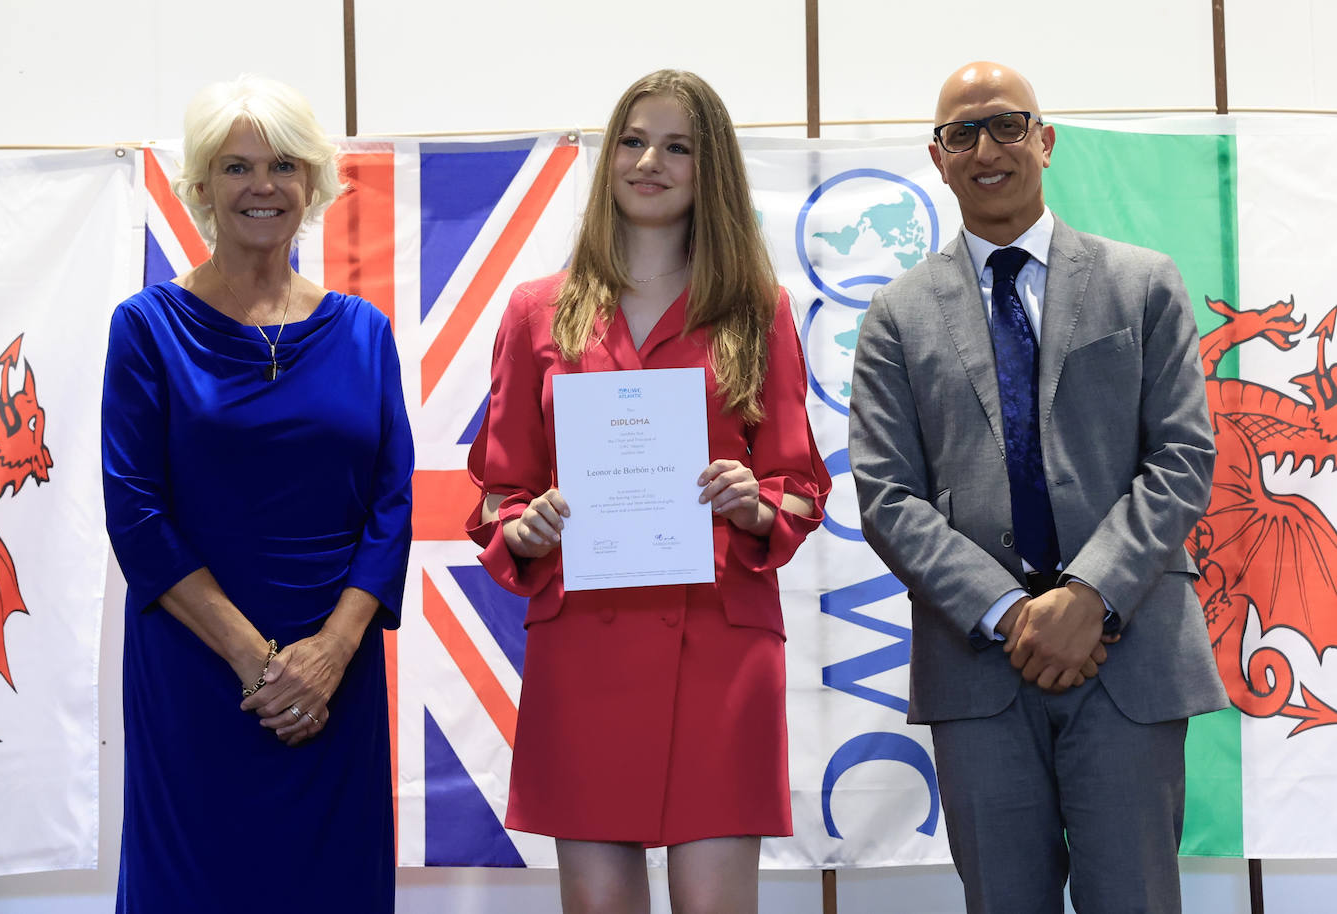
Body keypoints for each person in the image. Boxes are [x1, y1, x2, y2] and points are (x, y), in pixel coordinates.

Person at [848, 61, 1228, 914]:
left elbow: (1180, 460)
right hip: (977, 667)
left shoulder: (1143, 283)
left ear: (1045, 141)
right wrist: (1016, 615)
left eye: (1008, 125)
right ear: (938, 159)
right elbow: (887, 496)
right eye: (962, 134)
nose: (987, 148)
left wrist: (1089, 595)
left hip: (1128, 658)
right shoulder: (898, 318)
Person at [466, 69, 830, 914]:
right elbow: (499, 487)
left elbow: (802, 483)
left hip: (721, 641)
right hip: (586, 640)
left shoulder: (756, 308)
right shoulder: (535, 312)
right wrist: (526, 526)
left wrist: (755, 500)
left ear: (713, 171)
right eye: (632, 141)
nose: (648, 162)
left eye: (677, 147)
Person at [101, 75, 412, 912]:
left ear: (313, 182)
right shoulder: (146, 328)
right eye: (236, 168)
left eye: (282, 164)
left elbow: (391, 507)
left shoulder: (364, 332)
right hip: (198, 673)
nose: (262, 186)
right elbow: (136, 513)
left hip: (334, 679)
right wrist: (260, 663)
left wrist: (330, 654)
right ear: (201, 188)